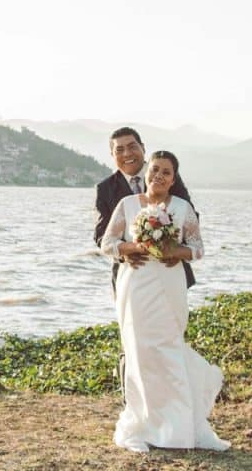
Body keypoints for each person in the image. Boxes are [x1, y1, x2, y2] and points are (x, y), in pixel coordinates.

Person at [99, 150, 229, 452]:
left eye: (166, 172)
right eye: (155, 169)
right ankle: (143, 425)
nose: (158, 176)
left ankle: (178, 427)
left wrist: (174, 252)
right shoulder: (127, 205)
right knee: (140, 352)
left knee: (169, 350)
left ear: (173, 180)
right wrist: (133, 247)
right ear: (146, 172)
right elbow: (107, 244)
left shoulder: (183, 209)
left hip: (170, 285)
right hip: (136, 285)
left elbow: (197, 249)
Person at [94, 127, 196, 292]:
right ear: (112, 155)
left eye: (132, 146)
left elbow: (190, 216)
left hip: (169, 271)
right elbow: (101, 235)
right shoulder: (105, 189)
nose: (127, 154)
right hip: (129, 275)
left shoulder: (166, 175)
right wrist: (125, 253)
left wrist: (177, 251)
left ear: (143, 148)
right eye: (119, 150)